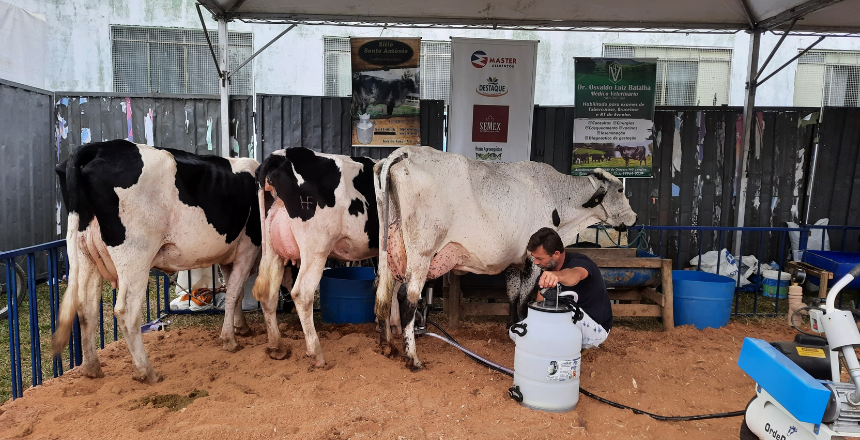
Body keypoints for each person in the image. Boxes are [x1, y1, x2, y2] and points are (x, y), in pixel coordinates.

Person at [527, 227, 612, 349]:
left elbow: (574, 275)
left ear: (556, 254)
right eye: (534, 257)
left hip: (595, 330)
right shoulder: (547, 269)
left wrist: (558, 276)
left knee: (563, 310)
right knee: (519, 331)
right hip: (570, 327)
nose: (535, 262)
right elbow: (540, 301)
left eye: (539, 258)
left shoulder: (581, 262)